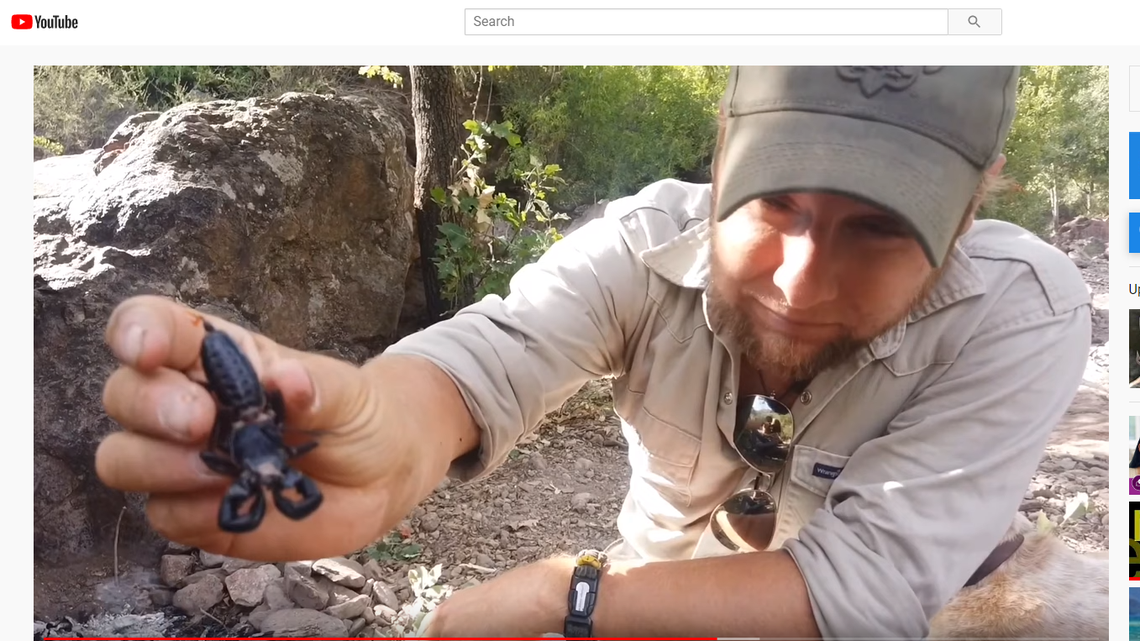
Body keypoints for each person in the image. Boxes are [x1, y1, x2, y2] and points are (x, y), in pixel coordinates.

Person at [95, 66, 1092, 638]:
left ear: (974, 201)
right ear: (724, 149)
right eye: (776, 203)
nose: (798, 277)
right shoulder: (642, 242)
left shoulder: (1023, 311)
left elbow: (861, 594)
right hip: (681, 578)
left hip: (943, 598)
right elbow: (495, 350)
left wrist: (565, 590)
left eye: (877, 229)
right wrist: (385, 426)